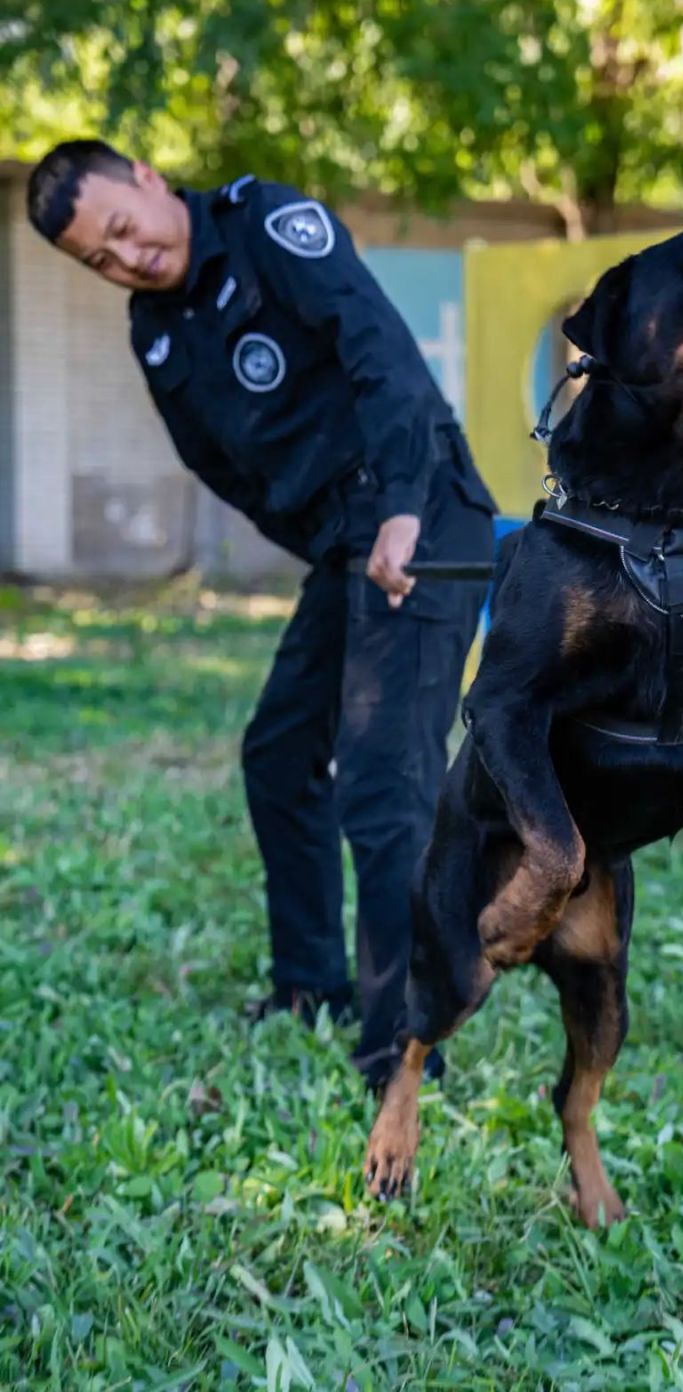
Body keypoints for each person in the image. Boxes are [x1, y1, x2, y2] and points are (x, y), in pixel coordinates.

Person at [26, 139, 496, 1091]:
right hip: (347, 543)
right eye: (97, 258)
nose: (123, 259)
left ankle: (401, 1045)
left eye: (121, 228)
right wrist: (334, 539)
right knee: (280, 752)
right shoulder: (153, 328)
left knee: (382, 777)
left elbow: (380, 350)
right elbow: (220, 465)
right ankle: (307, 986)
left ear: (149, 181)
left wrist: (403, 501)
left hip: (423, 506)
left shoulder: (266, 226)